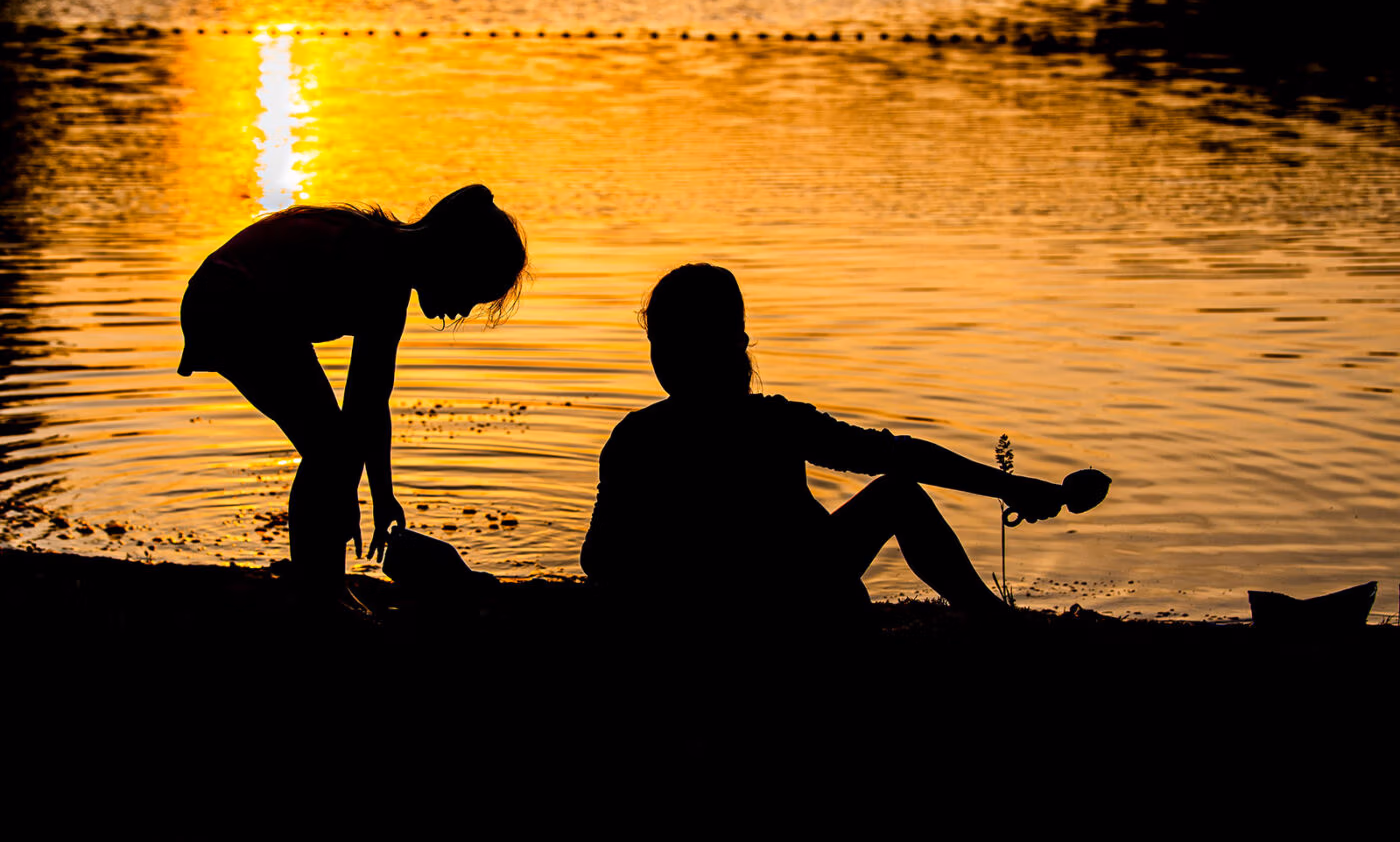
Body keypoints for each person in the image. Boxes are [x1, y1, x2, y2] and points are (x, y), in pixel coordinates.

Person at [582, 263, 1105, 633]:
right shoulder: (774, 421)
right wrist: (1010, 487)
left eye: (663, 344)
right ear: (739, 345)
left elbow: (599, 560)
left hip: (707, 615)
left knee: (897, 487)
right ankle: (990, 619)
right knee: (897, 493)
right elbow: (901, 456)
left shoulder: (635, 436)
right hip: (804, 600)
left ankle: (990, 619)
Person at [178, 184, 528, 611]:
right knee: (329, 451)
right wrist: (347, 485)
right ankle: (320, 593)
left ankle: (320, 584)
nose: (463, 311)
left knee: (332, 450)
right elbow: (361, 412)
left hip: (251, 307)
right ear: (454, 259)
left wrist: (381, 495)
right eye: (471, 294)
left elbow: (371, 402)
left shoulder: (390, 266)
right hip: (231, 302)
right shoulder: (379, 265)